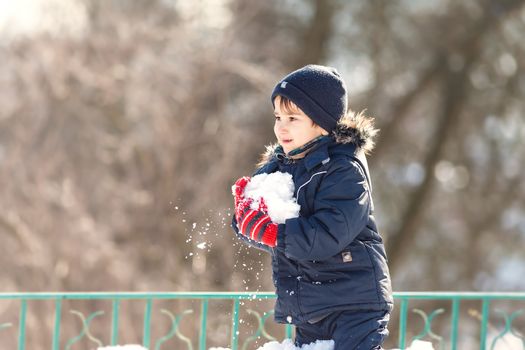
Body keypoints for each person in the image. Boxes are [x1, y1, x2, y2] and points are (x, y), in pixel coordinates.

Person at [231, 64, 393, 350]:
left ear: (321, 123)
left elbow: (328, 233)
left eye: (293, 118)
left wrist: (272, 233)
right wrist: (245, 218)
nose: (281, 126)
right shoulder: (277, 168)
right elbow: (264, 231)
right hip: (308, 307)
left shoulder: (344, 169)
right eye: (278, 117)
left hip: (354, 305)